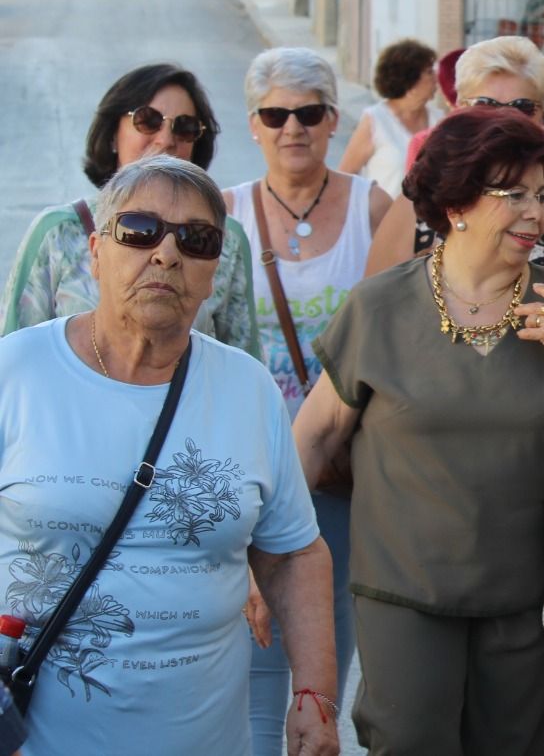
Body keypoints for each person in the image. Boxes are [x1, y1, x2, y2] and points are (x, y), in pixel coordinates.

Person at [293, 108, 544, 753]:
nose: (536, 214)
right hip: (404, 589)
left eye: (543, 196)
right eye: (515, 196)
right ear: (456, 202)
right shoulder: (379, 307)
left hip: (533, 594)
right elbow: (312, 437)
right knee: (407, 741)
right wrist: (270, 556)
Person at [0, 156, 337, 755]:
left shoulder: (247, 387)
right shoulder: (16, 371)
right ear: (96, 250)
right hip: (36, 736)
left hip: (203, 738)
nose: (166, 253)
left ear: (214, 269)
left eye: (196, 239)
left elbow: (293, 555)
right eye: (139, 230)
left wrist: (314, 697)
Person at [220, 46, 390, 756]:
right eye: (275, 114)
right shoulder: (223, 216)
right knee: (255, 661)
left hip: (341, 472)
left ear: (332, 121)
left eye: (309, 113)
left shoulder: (373, 209)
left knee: (325, 661)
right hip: (250, 472)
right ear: (254, 124)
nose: (293, 128)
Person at [366, 35, 544, 357]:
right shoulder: (418, 207)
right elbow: (375, 314)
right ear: (457, 109)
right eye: (486, 105)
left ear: (542, 114)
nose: (506, 119)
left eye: (523, 106)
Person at [3, 63, 259, 356]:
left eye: (185, 126)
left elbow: (244, 357)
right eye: (148, 121)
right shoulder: (58, 232)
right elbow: (12, 355)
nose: (165, 139)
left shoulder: (225, 238)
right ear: (113, 135)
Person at [338, 38, 445, 197]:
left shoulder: (440, 120)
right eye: (429, 72)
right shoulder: (375, 120)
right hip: (384, 218)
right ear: (411, 80)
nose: (436, 78)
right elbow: (344, 177)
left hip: (430, 219)